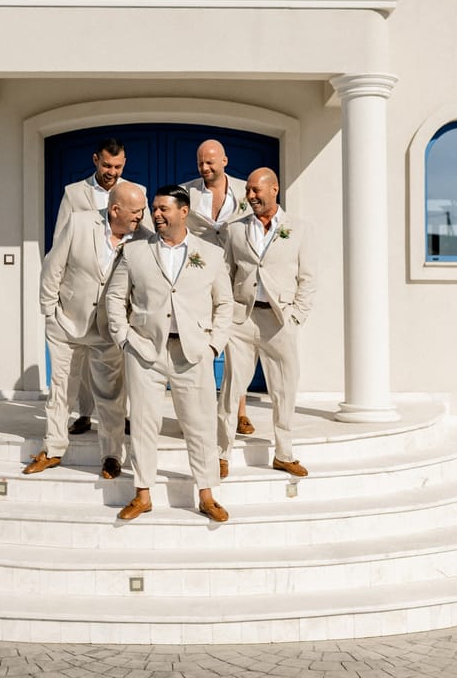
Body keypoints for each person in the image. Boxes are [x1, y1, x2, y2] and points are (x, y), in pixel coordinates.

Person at [106, 184, 233, 523]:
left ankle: (206, 494)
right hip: (145, 350)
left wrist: (213, 345)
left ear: (183, 211)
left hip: (193, 352)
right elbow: (115, 298)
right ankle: (142, 493)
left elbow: (225, 304)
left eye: (164, 208)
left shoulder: (211, 254)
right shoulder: (135, 252)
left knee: (200, 424)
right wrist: (124, 339)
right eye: (154, 208)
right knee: (143, 423)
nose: (156, 214)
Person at [24, 181, 149, 479]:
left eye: (143, 210)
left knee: (111, 396)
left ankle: (111, 456)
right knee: (61, 389)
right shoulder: (79, 223)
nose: (141, 216)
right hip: (66, 322)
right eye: (135, 211)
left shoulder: (143, 238)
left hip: (109, 330)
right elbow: (53, 266)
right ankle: (53, 449)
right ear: (115, 210)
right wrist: (49, 312)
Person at [217, 167, 316, 481]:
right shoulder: (235, 229)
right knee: (231, 388)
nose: (250, 196)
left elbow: (308, 279)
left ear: (274, 189)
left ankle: (283, 454)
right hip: (242, 319)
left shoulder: (299, 229)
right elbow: (225, 273)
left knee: (284, 389)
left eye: (256, 190)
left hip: (280, 320)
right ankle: (221, 454)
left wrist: (296, 317)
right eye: (248, 190)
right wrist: (225, 313)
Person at [53, 137, 150, 435]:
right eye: (107, 165)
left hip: (121, 290)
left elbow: (144, 237)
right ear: (96, 160)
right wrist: (53, 301)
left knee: (120, 358)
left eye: (118, 166)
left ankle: (123, 415)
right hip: (83, 292)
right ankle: (84, 413)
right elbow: (60, 242)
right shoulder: (74, 193)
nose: (112, 172)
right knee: (83, 362)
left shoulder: (137, 191)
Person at [183, 138, 255, 436]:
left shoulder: (245, 191)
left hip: (236, 276)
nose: (204, 167)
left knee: (237, 348)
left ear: (224, 161)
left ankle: (240, 411)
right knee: (200, 343)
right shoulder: (186, 192)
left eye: (210, 162)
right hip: (200, 277)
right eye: (200, 162)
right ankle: (198, 414)